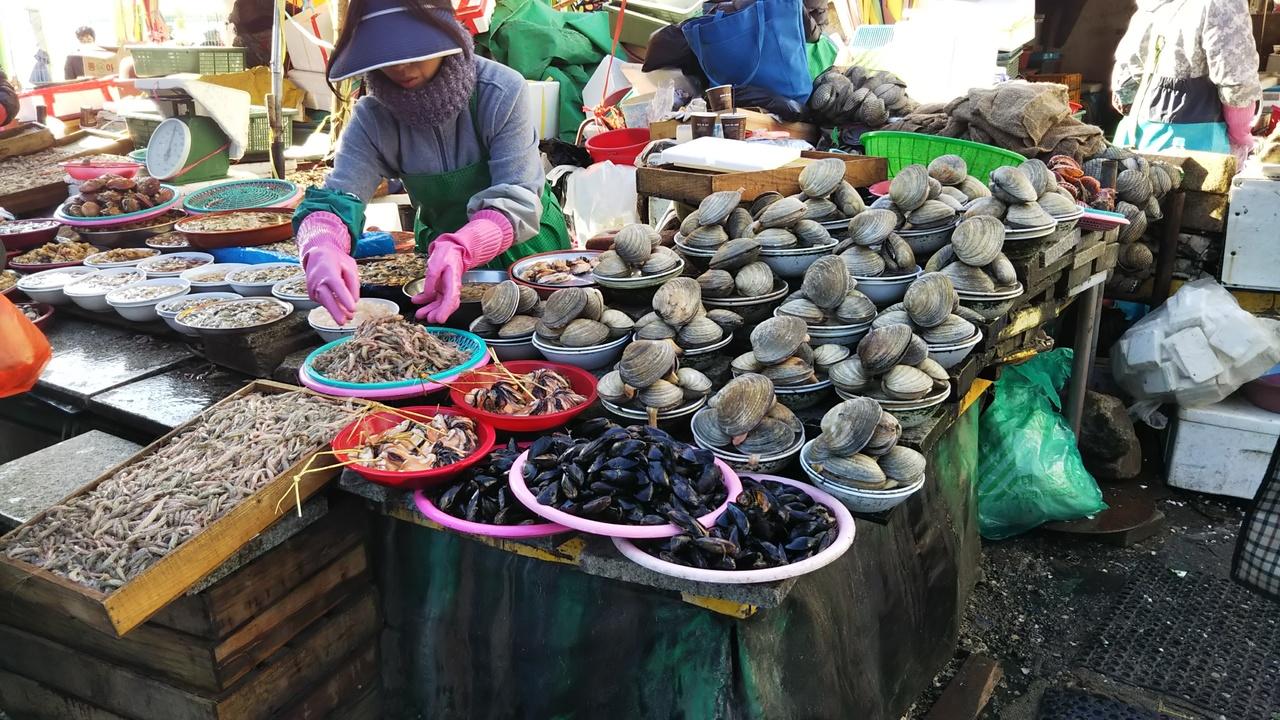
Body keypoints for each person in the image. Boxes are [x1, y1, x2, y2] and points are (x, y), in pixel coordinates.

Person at [291, 0, 570, 325]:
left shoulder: (501, 90)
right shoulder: (373, 118)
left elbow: (518, 195)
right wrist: (321, 244)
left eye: (414, 51)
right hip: (439, 261)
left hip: (527, 250)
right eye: (386, 55)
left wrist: (463, 246)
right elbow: (339, 197)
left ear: (446, 34)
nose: (401, 68)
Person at [1112, 0, 1260, 166]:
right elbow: (1238, 82)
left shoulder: (1150, 6)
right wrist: (1242, 137)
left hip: (1140, 136)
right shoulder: (1222, 3)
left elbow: (1123, 88)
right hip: (1195, 147)